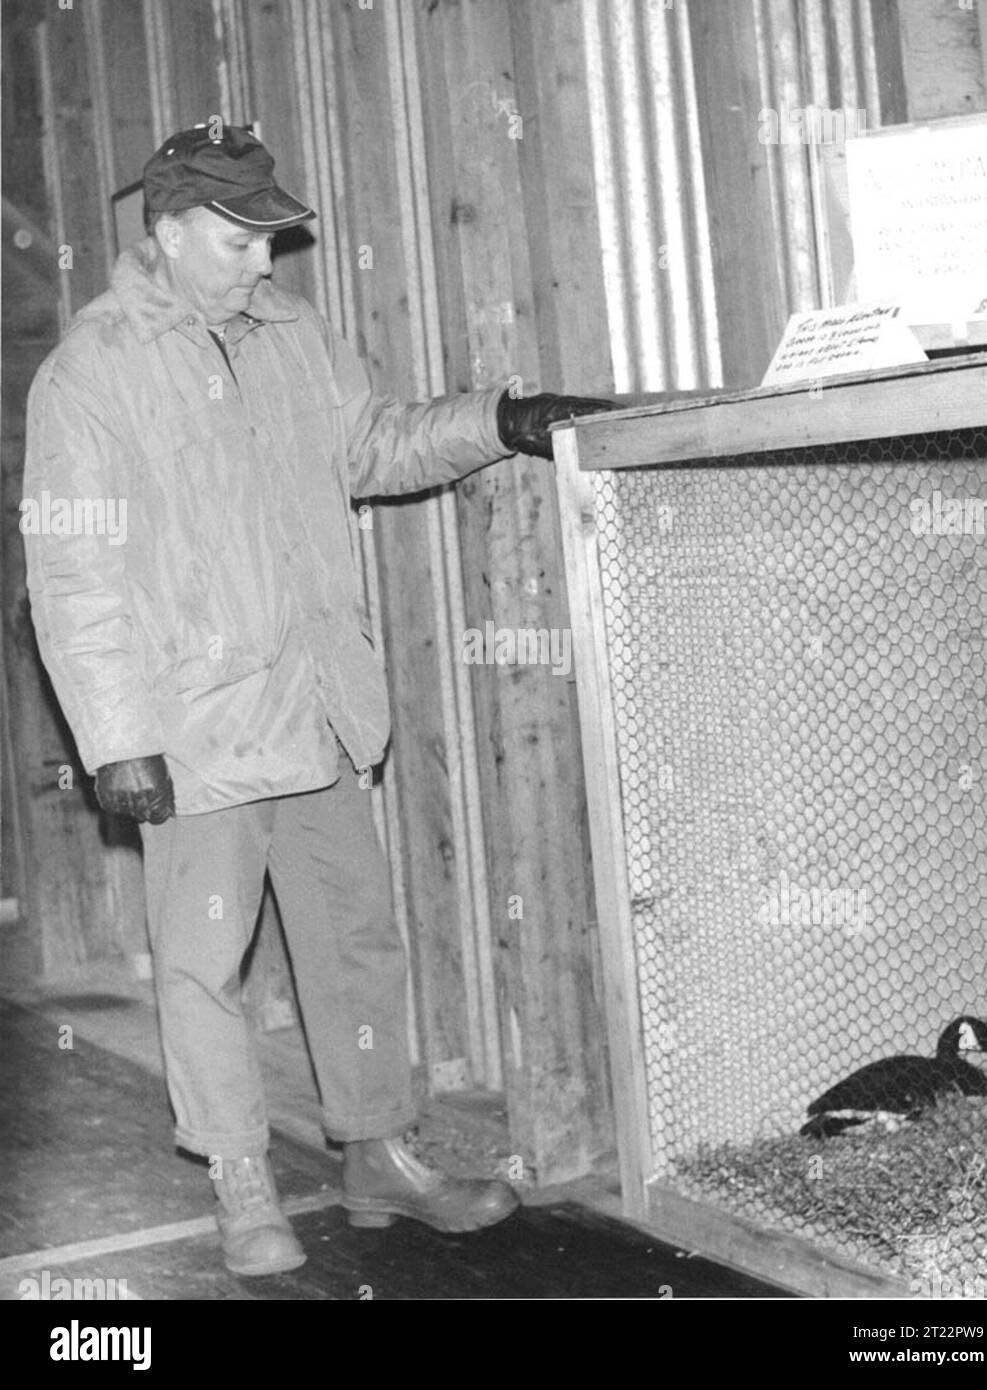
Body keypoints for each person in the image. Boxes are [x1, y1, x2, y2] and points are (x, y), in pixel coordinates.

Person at [22, 124, 610, 1277]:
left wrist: (499, 420)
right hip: (193, 727)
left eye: (271, 239)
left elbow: (370, 447)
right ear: (171, 229)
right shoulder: (91, 370)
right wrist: (114, 738)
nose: (264, 261)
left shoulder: (292, 333)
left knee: (354, 940)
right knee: (203, 962)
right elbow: (70, 570)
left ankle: (378, 1154)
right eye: (242, 239)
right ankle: (241, 1178)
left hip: (320, 709)